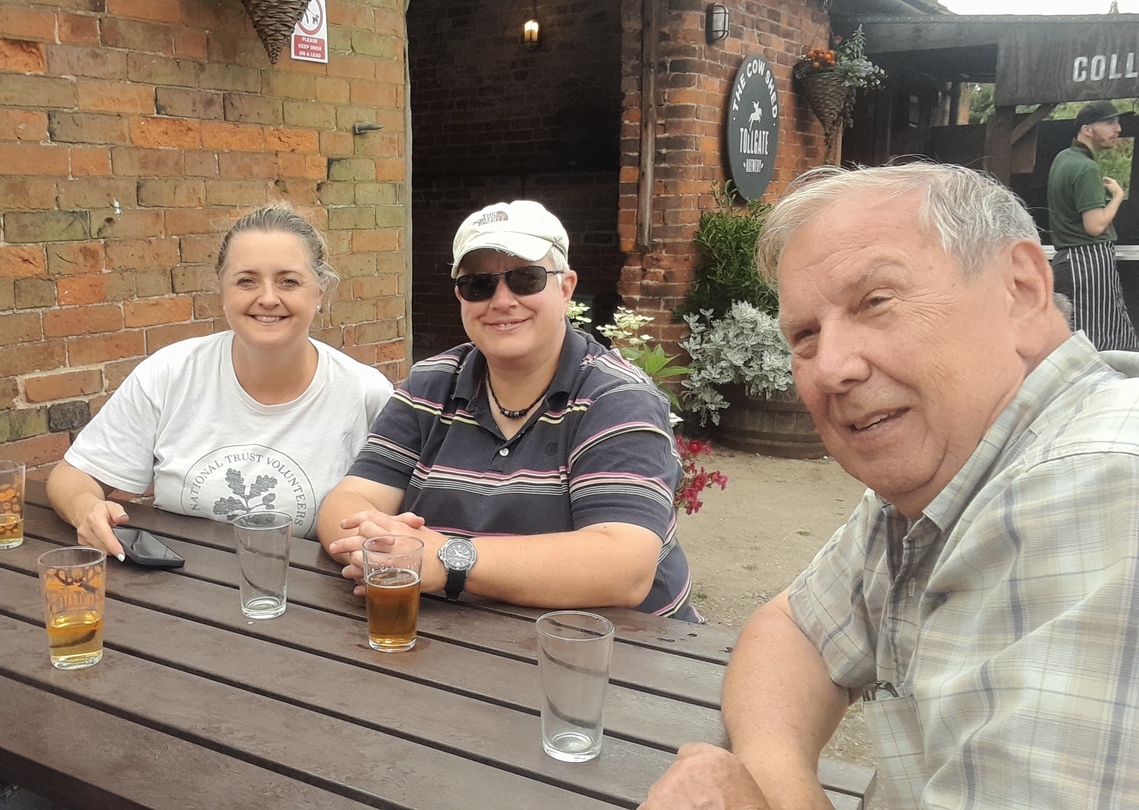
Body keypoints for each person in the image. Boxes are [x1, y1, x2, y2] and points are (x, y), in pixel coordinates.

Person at [642, 163, 1139, 808]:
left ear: (1020, 290)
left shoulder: (1099, 487)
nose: (832, 368)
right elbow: (794, 630)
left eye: (876, 301)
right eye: (805, 335)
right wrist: (783, 786)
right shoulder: (949, 477)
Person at [317, 200, 700, 622]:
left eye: (525, 279)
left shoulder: (617, 398)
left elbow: (624, 567)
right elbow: (349, 500)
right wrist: (378, 547)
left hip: (610, 646)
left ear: (566, 288)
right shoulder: (431, 384)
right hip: (465, 637)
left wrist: (447, 559)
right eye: (479, 284)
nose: (502, 300)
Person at [47, 203, 394, 555]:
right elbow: (73, 475)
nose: (268, 298)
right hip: (172, 584)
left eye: (289, 281)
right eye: (246, 281)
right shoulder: (171, 373)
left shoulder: (366, 394)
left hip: (302, 588)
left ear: (320, 291)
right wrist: (86, 510)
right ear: (223, 291)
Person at [1046, 99, 1139, 351]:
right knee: (1099, 340)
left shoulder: (1063, 159)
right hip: (1089, 264)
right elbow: (1095, 226)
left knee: (1074, 334)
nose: (1118, 129)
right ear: (1087, 129)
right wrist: (1118, 196)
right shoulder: (1086, 168)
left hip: (1068, 260)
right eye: (1110, 123)